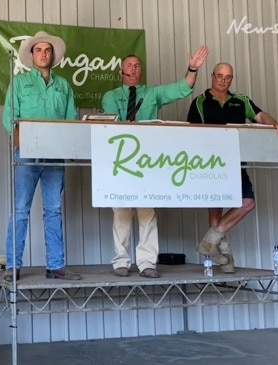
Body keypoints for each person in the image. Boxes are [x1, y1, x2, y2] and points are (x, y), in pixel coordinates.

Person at [101, 45, 209, 278]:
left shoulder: (153, 93)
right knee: (121, 213)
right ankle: (121, 261)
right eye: (129, 65)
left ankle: (147, 263)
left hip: (147, 163)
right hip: (120, 161)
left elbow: (183, 88)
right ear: (120, 72)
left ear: (142, 71)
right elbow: (113, 127)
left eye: (137, 65)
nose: (133, 68)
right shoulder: (110, 97)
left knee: (147, 213)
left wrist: (192, 68)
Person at [186, 62, 278, 273]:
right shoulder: (200, 102)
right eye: (219, 76)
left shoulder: (240, 100)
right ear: (212, 76)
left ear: (231, 79)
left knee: (247, 202)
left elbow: (261, 116)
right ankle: (226, 258)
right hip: (210, 163)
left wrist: (274, 123)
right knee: (216, 208)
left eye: (227, 77)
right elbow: (192, 133)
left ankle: (209, 242)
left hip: (236, 161)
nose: (223, 80)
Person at [1, 31, 81, 282]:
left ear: (53, 55)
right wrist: (26, 140)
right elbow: (8, 119)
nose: (43, 54)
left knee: (54, 210)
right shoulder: (20, 83)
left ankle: (56, 266)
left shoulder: (64, 85)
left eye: (48, 50)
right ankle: (13, 267)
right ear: (31, 55)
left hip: (55, 156)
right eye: (39, 50)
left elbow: (71, 120)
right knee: (20, 210)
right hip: (26, 154)